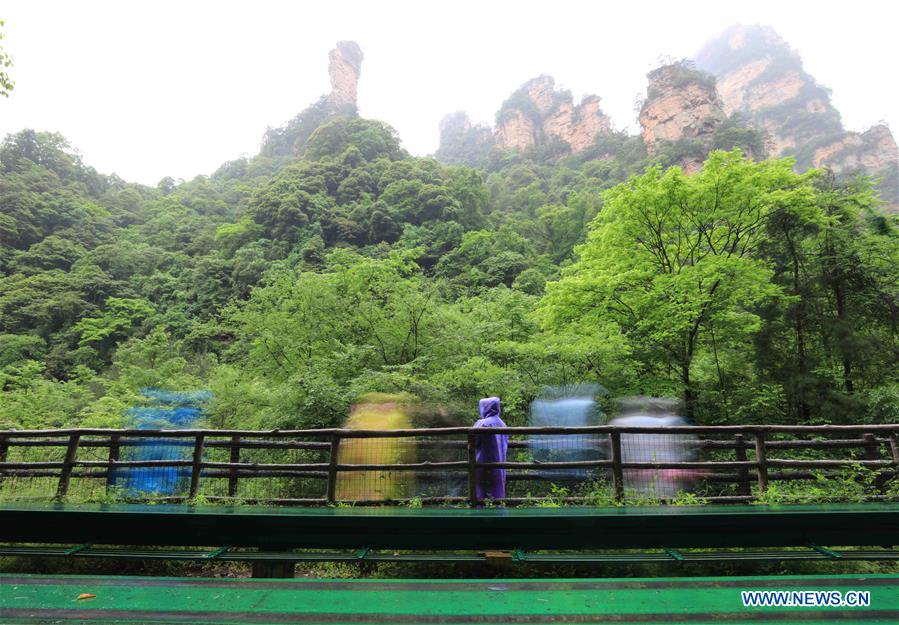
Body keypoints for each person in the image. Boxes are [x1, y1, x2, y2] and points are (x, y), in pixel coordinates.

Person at [473, 397, 508, 501]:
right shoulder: (503, 424)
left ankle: (481, 515)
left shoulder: (482, 424)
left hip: (483, 464)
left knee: (482, 494)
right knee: (497, 493)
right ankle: (499, 514)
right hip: (500, 465)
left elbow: (473, 441)